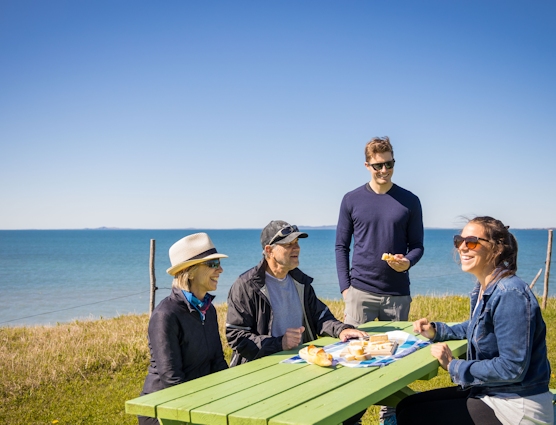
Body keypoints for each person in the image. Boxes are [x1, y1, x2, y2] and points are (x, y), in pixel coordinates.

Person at [396, 216, 553, 425]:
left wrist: (453, 366)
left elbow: (512, 368)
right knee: (406, 406)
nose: (462, 247)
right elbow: (481, 327)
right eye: (458, 241)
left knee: (413, 415)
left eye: (471, 242)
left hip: (517, 406)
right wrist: (436, 330)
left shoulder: (510, 293)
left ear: (496, 248)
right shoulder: (485, 288)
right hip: (493, 393)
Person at [335, 137, 424, 425]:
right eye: (378, 166)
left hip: (398, 295)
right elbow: (341, 247)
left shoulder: (410, 201)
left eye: (389, 164)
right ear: (367, 165)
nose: (384, 170)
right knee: (355, 360)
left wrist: (407, 261)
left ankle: (390, 418)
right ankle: (351, 417)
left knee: (394, 363)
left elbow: (418, 245)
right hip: (359, 293)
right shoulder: (351, 199)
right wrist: (346, 289)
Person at [226, 220, 368, 368]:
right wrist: (279, 343)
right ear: (269, 251)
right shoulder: (246, 286)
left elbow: (320, 317)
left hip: (300, 364)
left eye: (297, 242)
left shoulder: (300, 282)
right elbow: (237, 336)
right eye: (289, 244)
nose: (297, 248)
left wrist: (341, 330)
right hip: (260, 369)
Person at [138, 233, 229, 425]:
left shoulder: (208, 310)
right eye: (213, 264)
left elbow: (218, 362)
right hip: (164, 409)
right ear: (191, 271)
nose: (220, 269)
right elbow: (172, 378)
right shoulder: (165, 315)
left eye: (218, 262)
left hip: (199, 401)